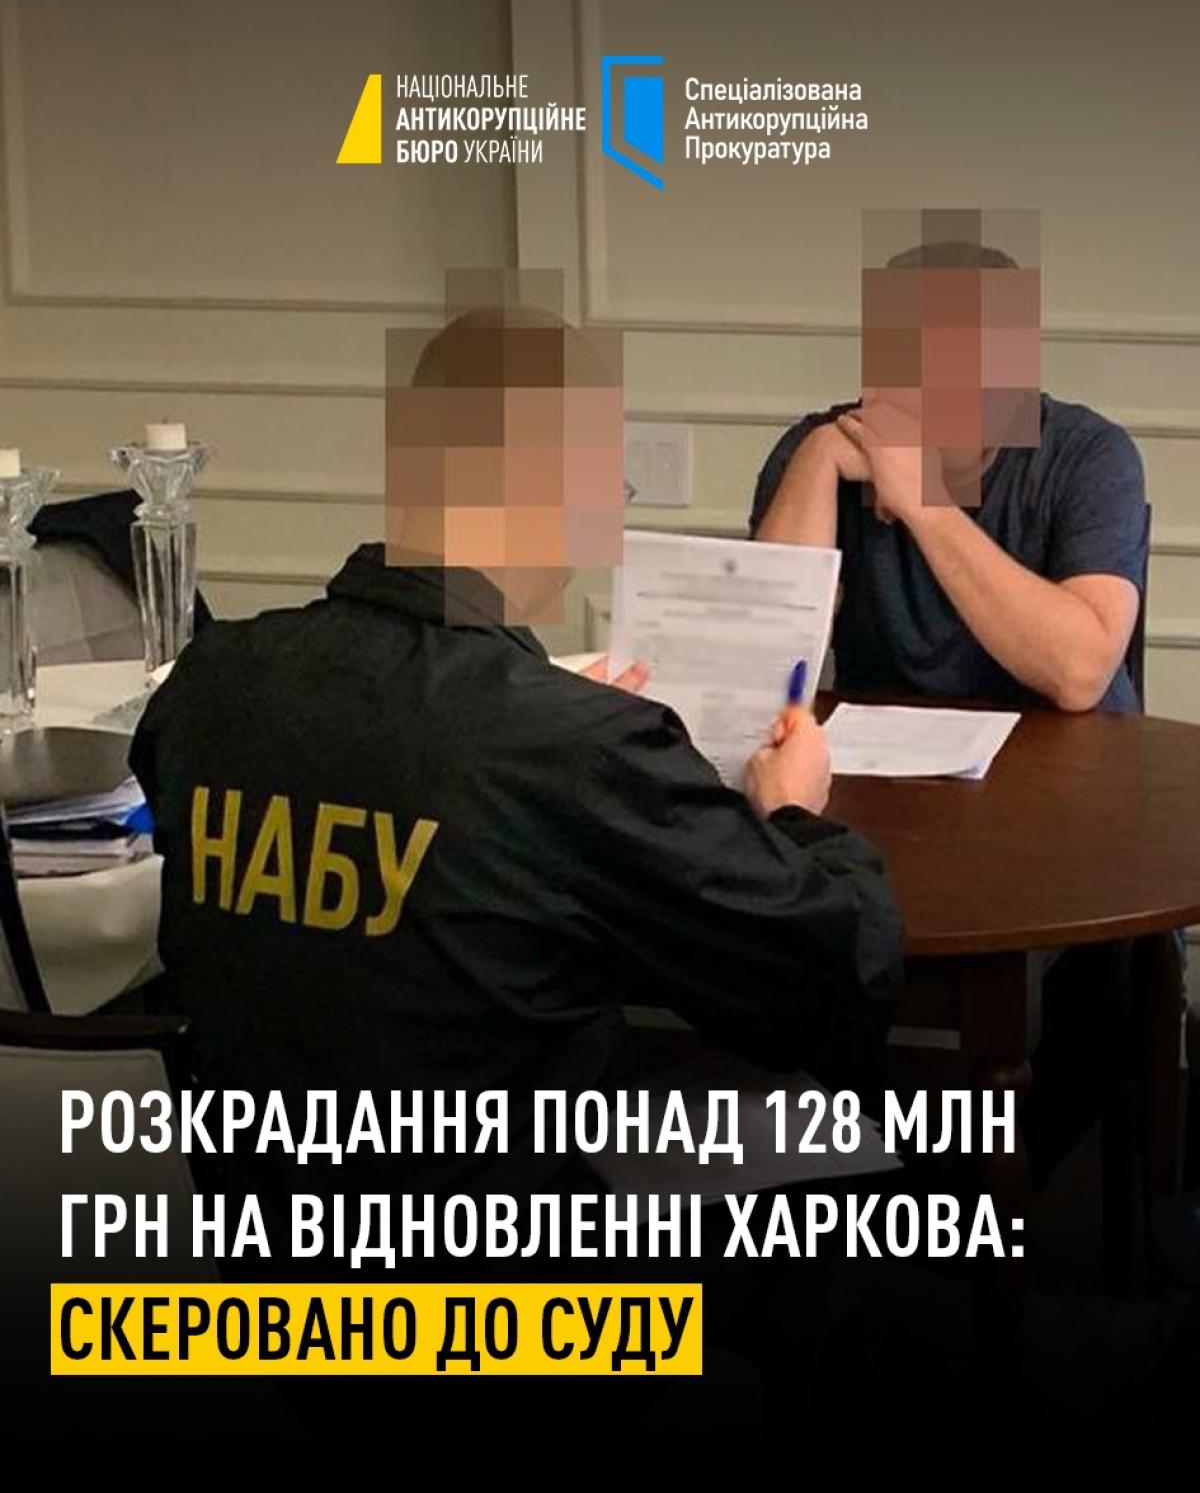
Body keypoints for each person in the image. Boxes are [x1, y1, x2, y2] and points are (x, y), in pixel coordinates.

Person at [129, 294, 902, 1285]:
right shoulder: (567, 746)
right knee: (849, 1180)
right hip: (502, 1318)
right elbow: (841, 975)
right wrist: (794, 807)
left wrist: (552, 714)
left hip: (254, 1276)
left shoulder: (211, 684)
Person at [748, 231, 1150, 1185]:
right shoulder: (824, 447)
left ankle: (1001, 1189)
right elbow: (766, 657)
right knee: (812, 934)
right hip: (897, 801)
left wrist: (927, 504)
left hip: (1075, 805)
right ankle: (891, 1173)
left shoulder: (1089, 456)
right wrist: (819, 462)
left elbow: (1079, 669)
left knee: (1116, 975)